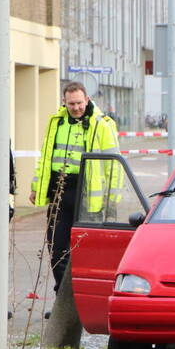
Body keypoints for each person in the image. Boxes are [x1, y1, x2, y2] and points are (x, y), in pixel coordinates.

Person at [30, 82, 119, 292]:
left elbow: (114, 166)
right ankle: (64, 299)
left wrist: (111, 201)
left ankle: (84, 297)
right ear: (64, 102)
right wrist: (36, 187)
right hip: (59, 191)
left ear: (87, 100)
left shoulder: (102, 124)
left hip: (87, 196)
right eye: (71, 104)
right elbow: (45, 158)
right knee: (57, 250)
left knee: (86, 252)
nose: (76, 108)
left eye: (79, 103)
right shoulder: (56, 122)